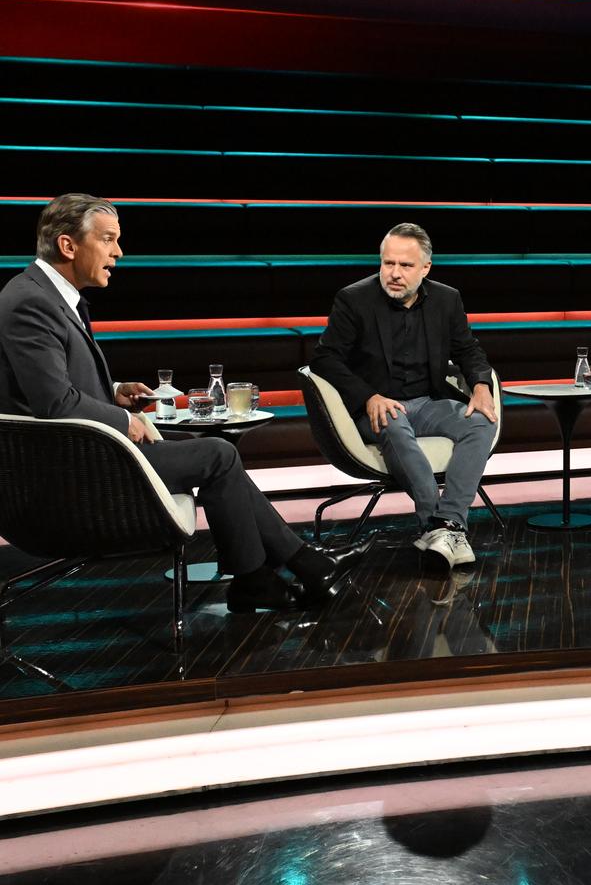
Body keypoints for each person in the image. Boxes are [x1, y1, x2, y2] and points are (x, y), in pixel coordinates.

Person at [0, 194, 368, 613]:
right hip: (74, 473)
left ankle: (269, 576)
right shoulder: (31, 303)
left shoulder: (46, 295)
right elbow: (55, 404)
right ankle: (283, 571)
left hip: (90, 451)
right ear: (68, 246)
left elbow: (53, 383)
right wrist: (124, 419)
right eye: (107, 240)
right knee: (217, 455)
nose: (118, 252)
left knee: (219, 456)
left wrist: (115, 388)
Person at [309, 222, 498, 568]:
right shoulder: (354, 299)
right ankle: (436, 525)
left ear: (426, 268)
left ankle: (448, 523)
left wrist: (482, 385)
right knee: (393, 420)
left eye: (405, 266)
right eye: (388, 263)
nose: (394, 273)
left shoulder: (447, 299)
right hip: (377, 408)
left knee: (481, 421)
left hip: (428, 403)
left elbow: (469, 350)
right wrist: (368, 396)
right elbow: (324, 358)